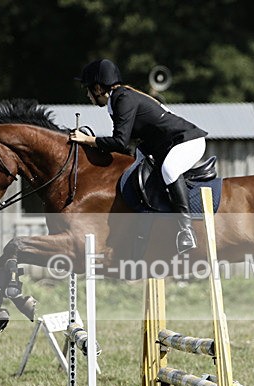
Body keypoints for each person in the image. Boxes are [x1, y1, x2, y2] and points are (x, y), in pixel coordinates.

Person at [69, 59, 207, 254]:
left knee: (170, 170)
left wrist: (88, 140)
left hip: (187, 141)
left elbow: (119, 142)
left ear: (99, 88)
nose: (87, 94)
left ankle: (186, 230)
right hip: (163, 146)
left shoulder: (123, 99)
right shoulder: (118, 99)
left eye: (88, 89)